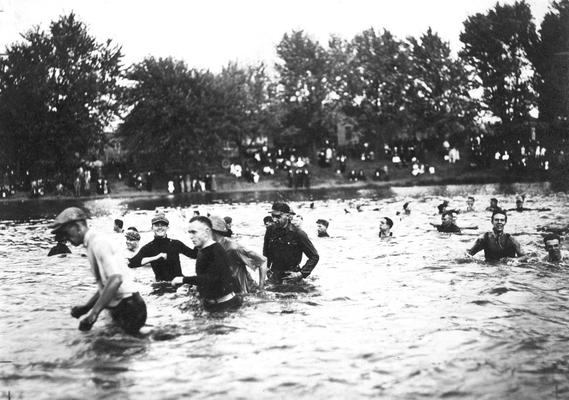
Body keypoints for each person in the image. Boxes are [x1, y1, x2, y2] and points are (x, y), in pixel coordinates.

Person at [48, 207, 146, 334]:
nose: (66, 239)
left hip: (130, 307)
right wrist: (86, 307)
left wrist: (93, 314)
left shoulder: (98, 243)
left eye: (67, 233)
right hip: (124, 306)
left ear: (78, 227)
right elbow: (107, 285)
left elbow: (116, 280)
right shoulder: (92, 243)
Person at [171, 216, 242, 312]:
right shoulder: (202, 250)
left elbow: (211, 279)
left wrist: (183, 279)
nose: (191, 236)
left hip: (226, 307)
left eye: (194, 232)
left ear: (207, 231)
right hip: (211, 304)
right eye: (189, 232)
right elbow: (205, 279)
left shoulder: (216, 250)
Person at [128, 212, 197, 281]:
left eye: (163, 225)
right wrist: (155, 257)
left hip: (178, 284)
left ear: (167, 228)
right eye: (157, 225)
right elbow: (132, 264)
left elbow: (194, 255)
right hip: (160, 286)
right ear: (152, 228)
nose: (160, 227)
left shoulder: (176, 243)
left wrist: (197, 238)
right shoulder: (148, 247)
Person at [263, 202, 319, 283]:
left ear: (288, 216)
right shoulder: (270, 230)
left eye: (278, 216)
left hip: (292, 275)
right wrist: (267, 267)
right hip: (274, 273)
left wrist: (301, 274)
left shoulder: (298, 233)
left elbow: (314, 256)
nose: (274, 220)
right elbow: (266, 251)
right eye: (273, 216)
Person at [210, 216, 267, 293]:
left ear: (213, 231)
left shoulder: (233, 247)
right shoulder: (208, 248)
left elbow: (263, 261)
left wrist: (261, 288)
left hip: (243, 292)